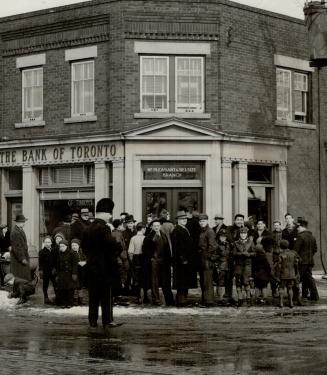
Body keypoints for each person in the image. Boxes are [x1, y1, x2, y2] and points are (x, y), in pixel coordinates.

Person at [82, 198, 122, 332]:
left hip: (92, 268)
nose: (111, 216)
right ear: (105, 213)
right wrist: (118, 246)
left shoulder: (87, 229)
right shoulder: (104, 228)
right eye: (110, 213)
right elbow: (111, 247)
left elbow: (84, 248)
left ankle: (92, 321)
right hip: (105, 269)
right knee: (106, 297)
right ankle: (107, 320)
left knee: (93, 297)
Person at [142, 218, 174, 306]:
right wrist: (151, 258)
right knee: (154, 281)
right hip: (154, 262)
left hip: (164, 261)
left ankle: (169, 300)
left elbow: (167, 249)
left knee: (165, 280)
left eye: (158, 226)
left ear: (160, 226)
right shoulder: (148, 237)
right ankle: (156, 299)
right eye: (154, 226)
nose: (156, 227)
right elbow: (145, 250)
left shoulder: (164, 235)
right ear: (152, 227)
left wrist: (169, 260)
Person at [171, 211, 197, 306]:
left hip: (185, 260)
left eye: (185, 219)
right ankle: (181, 301)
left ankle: (182, 299)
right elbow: (177, 247)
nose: (184, 220)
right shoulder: (177, 230)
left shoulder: (184, 228)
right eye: (182, 219)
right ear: (178, 220)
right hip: (181, 261)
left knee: (184, 280)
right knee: (181, 281)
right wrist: (183, 258)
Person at [294, 219, 319, 301]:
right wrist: (309, 256)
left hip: (302, 262)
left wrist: (297, 258)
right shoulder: (312, 236)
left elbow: (295, 250)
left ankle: (295, 296)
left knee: (297, 278)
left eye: (298, 227)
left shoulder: (300, 236)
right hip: (310, 261)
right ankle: (313, 295)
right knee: (308, 277)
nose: (297, 229)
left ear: (302, 227)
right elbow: (315, 249)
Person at [198, 213, 217, 307]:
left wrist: (207, 256)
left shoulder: (210, 231)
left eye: (203, 221)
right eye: (200, 221)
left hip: (207, 259)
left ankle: (209, 301)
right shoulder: (202, 231)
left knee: (207, 281)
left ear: (207, 221)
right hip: (202, 258)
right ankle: (205, 300)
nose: (202, 223)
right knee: (203, 281)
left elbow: (212, 246)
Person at [233, 226, 255, 306]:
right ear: (239, 234)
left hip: (247, 264)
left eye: (244, 233)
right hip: (238, 264)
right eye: (242, 233)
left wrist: (248, 254)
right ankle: (240, 299)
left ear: (247, 234)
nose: (243, 235)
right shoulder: (236, 243)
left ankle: (248, 299)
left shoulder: (251, 242)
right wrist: (241, 254)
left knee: (246, 281)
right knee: (238, 282)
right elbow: (234, 253)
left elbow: (254, 253)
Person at [56, 239, 78, 308]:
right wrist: (57, 274)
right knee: (63, 289)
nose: (61, 248)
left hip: (69, 274)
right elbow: (58, 265)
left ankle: (70, 303)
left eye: (62, 246)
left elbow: (75, 264)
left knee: (70, 289)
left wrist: (74, 273)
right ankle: (64, 302)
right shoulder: (60, 254)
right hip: (62, 274)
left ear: (66, 246)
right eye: (60, 246)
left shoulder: (72, 253)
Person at [277, 239, 299, 308]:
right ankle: (291, 303)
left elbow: (279, 266)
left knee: (281, 288)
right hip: (291, 274)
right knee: (290, 288)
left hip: (283, 274)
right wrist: (296, 273)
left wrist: (278, 274)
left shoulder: (281, 255)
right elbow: (296, 264)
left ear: (280, 246)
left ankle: (281, 303)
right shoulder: (293, 254)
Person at [128, 222, 146, 304]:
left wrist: (131, 261)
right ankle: (145, 296)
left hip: (135, 258)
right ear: (142, 229)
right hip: (143, 258)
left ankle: (137, 296)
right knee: (144, 277)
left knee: (136, 278)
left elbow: (130, 251)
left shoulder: (133, 238)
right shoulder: (145, 238)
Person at [10, 214, 31, 281]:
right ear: (17, 222)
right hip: (18, 260)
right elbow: (17, 247)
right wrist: (22, 259)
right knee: (20, 279)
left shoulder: (20, 230)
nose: (24, 223)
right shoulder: (15, 232)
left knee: (23, 278)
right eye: (22, 222)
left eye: (24, 222)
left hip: (22, 258)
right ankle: (20, 291)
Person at [214, 228, 232, 305]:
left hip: (228, 266)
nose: (223, 238)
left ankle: (226, 298)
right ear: (219, 237)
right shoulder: (216, 245)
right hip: (220, 266)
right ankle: (220, 299)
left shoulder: (228, 244)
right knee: (220, 282)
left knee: (227, 282)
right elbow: (214, 256)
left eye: (224, 236)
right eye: (221, 236)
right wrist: (217, 265)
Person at [38, 236, 58, 304]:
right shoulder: (41, 252)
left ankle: (57, 297)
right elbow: (40, 262)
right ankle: (46, 298)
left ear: (51, 243)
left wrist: (55, 268)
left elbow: (56, 261)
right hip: (46, 271)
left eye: (48, 242)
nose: (47, 243)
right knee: (45, 284)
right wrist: (41, 271)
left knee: (55, 284)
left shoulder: (54, 251)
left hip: (53, 271)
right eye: (46, 242)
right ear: (44, 243)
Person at [71, 238, 87, 305]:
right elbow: (71, 263)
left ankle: (81, 299)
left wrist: (85, 262)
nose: (74, 247)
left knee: (81, 286)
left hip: (81, 272)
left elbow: (85, 258)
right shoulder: (71, 253)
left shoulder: (81, 252)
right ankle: (75, 300)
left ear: (78, 245)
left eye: (75, 245)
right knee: (75, 286)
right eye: (73, 245)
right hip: (75, 272)